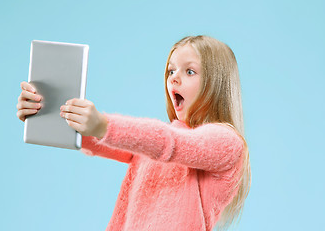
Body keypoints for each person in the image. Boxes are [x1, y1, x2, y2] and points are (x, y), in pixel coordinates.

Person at [16, 35, 251, 231]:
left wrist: (102, 124)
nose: (174, 78)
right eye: (171, 71)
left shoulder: (227, 143)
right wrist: (49, 110)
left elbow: (169, 143)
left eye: (190, 71)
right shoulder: (157, 145)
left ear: (217, 83)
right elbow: (103, 141)